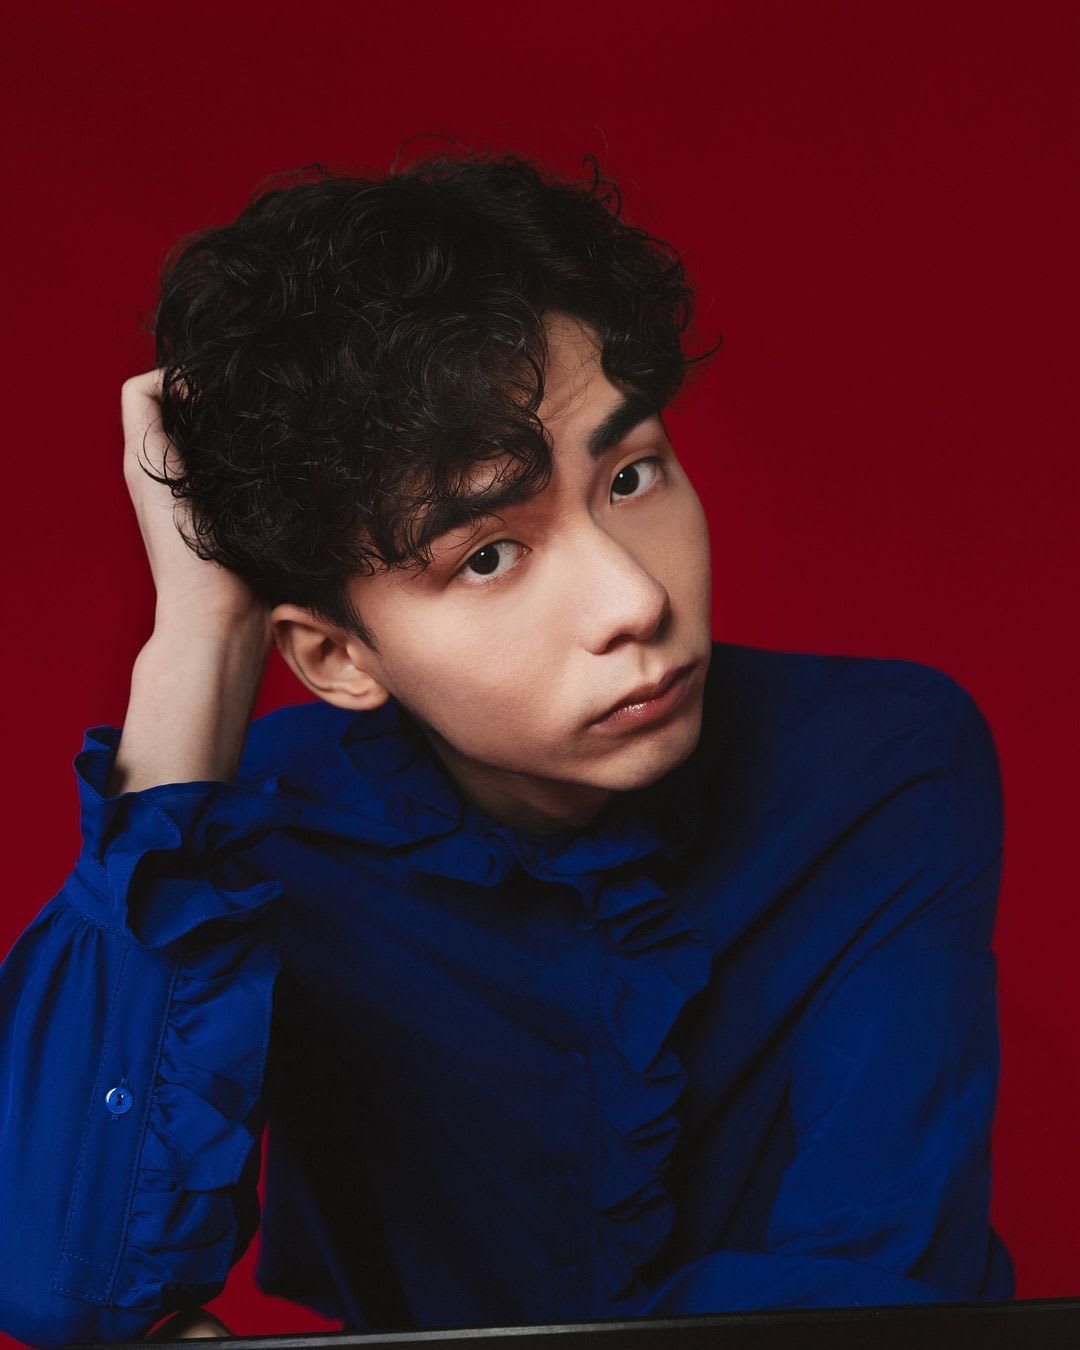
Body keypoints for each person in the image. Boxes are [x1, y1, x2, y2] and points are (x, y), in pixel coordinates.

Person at [0, 151, 1013, 1348]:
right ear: (336, 660)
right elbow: (59, 1286)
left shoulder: (880, 762)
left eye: (631, 475)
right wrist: (197, 646)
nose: (633, 600)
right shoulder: (271, 835)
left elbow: (870, 1287)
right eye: (488, 553)